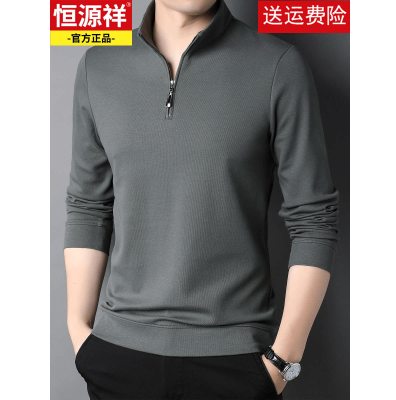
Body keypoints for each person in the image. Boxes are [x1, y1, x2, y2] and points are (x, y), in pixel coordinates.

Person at [63, 0, 340, 399]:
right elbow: (89, 205)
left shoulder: (277, 65)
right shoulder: (99, 66)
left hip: (235, 361)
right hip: (118, 355)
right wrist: (79, 331)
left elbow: (314, 218)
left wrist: (282, 363)